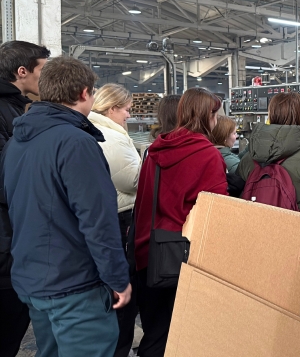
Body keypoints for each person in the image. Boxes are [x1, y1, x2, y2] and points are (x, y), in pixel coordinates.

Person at [2, 57, 131, 356]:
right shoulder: (76, 142)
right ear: (84, 92)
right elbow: (98, 220)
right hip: (74, 284)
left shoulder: (17, 142)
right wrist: (117, 278)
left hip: (32, 277)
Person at [133, 88, 227, 357]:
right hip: (183, 256)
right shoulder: (208, 155)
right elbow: (214, 213)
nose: (217, 120)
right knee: (182, 337)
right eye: (215, 114)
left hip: (148, 251)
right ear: (207, 116)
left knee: (155, 332)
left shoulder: (155, 150)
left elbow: (143, 201)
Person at [0, 41, 49, 357]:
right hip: (5, 244)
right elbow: (7, 177)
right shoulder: (5, 110)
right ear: (22, 71)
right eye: (43, 70)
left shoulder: (16, 107)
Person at [88, 83, 141, 357]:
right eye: (126, 109)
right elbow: (132, 179)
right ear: (112, 108)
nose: (129, 115)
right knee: (123, 287)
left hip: (113, 214)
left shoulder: (96, 130)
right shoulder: (111, 136)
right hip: (122, 216)